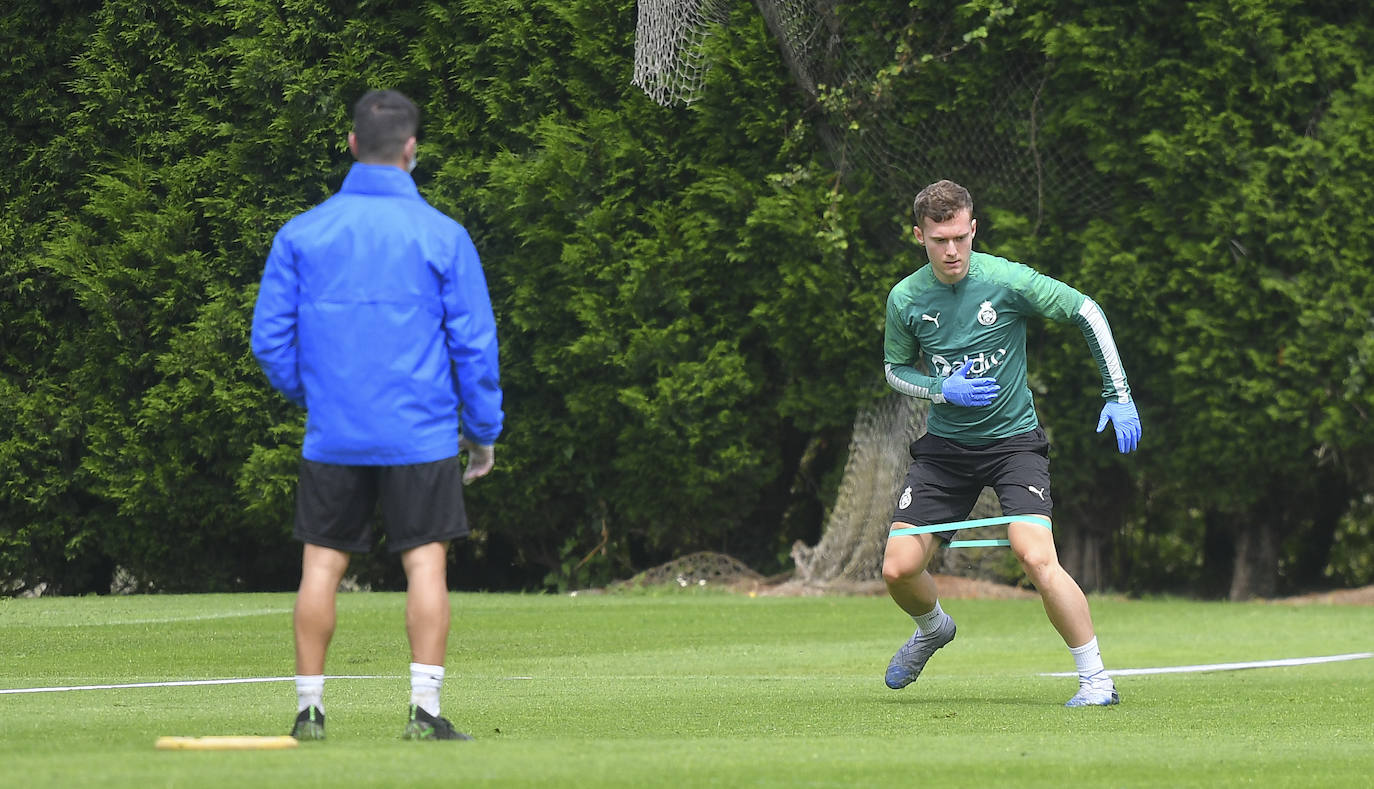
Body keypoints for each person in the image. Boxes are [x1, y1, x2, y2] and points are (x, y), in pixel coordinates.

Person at [251, 89, 503, 740]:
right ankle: (424, 712)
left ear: (353, 145)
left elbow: (269, 339)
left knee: (320, 566)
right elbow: (474, 345)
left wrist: (312, 394)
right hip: (418, 432)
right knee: (426, 563)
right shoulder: (444, 236)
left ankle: (310, 710)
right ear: (412, 151)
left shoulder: (301, 233)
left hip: (335, 431)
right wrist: (481, 434)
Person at [879, 179, 1140, 707]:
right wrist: (938, 388)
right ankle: (933, 629)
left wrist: (1120, 394)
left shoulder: (1007, 281)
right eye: (938, 240)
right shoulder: (906, 299)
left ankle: (1096, 681)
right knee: (898, 569)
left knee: (1036, 556)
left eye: (959, 237)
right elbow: (894, 369)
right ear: (919, 237)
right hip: (945, 452)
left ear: (973, 229)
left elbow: (1087, 310)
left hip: (1013, 444)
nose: (951, 251)